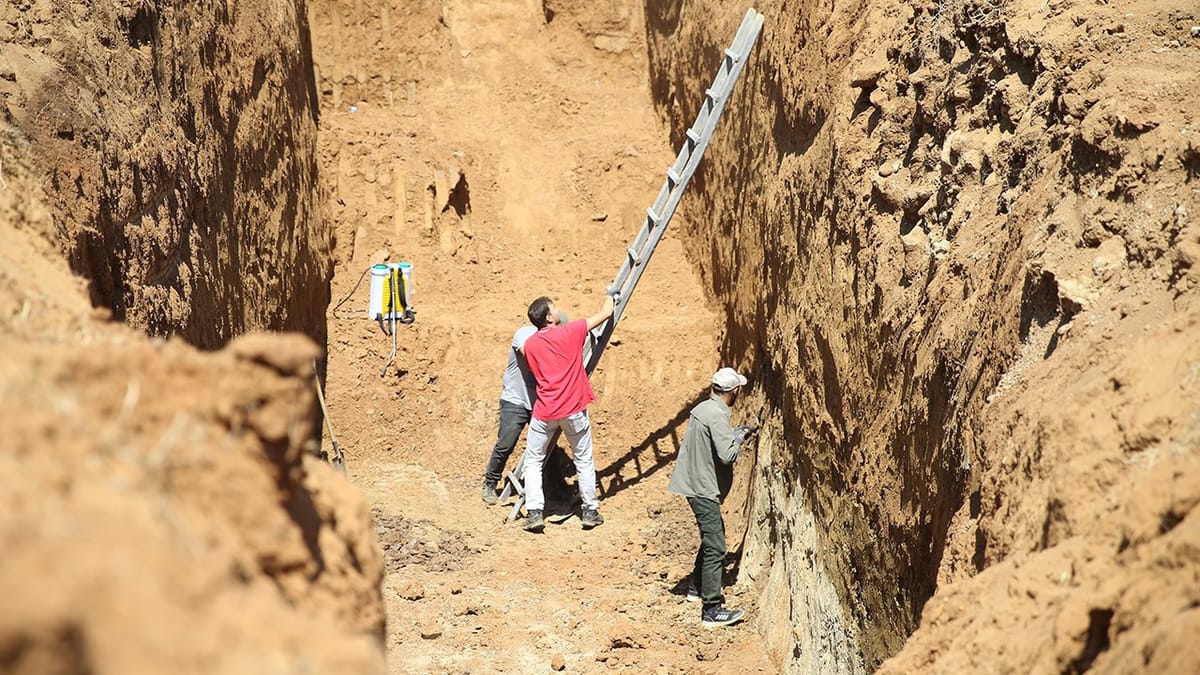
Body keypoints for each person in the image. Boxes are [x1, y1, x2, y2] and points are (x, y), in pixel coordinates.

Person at [667, 367, 758, 628]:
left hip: (694, 482)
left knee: (710, 539)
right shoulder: (717, 415)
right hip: (702, 488)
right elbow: (726, 456)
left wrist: (733, 434)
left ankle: (697, 586)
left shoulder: (704, 408)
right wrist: (739, 437)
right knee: (717, 545)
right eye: (738, 389)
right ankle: (712, 610)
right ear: (734, 391)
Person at [519, 292, 616, 532]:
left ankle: (534, 512)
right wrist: (610, 294)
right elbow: (606, 314)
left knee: (533, 461)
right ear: (549, 317)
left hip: (545, 411)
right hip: (572, 408)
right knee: (583, 459)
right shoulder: (569, 331)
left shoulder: (529, 344)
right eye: (554, 308)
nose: (558, 310)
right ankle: (590, 511)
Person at [480, 310, 570, 505]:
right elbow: (530, 355)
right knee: (506, 443)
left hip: (540, 402)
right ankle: (490, 482)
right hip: (516, 400)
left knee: (550, 447)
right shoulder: (525, 334)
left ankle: (555, 486)